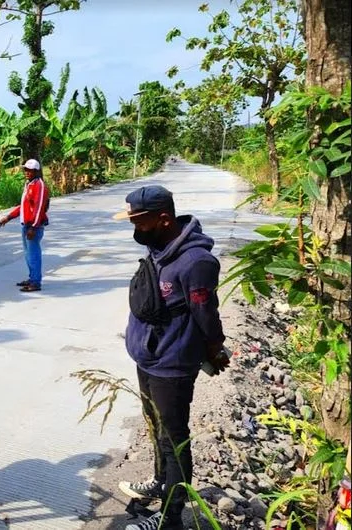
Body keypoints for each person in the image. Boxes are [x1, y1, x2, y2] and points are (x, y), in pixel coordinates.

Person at [113, 185, 229, 530]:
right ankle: (160, 481)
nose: (135, 229)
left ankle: (170, 517)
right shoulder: (159, 245)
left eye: (139, 222)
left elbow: (206, 314)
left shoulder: (197, 262)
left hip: (172, 364)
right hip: (148, 356)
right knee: (156, 428)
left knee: (174, 437)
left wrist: (214, 348)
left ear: (163, 219)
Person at [0, 159, 49, 292]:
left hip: (33, 227)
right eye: (25, 169)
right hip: (26, 225)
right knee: (28, 254)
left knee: (34, 255)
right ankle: (32, 278)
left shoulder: (39, 185)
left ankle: (35, 282)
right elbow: (24, 206)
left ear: (37, 171)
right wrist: (8, 217)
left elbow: (39, 208)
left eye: (30, 170)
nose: (27, 172)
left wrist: (34, 227)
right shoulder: (29, 184)